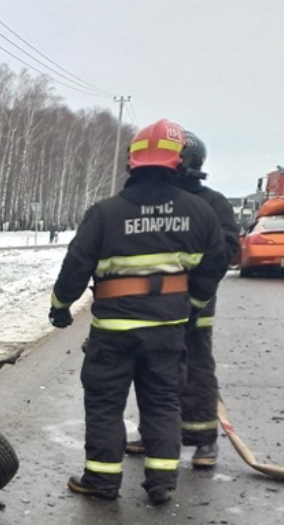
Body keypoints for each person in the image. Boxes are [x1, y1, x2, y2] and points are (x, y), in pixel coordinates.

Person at [48, 119, 227, 505]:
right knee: (163, 401)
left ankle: (101, 480)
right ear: (178, 164)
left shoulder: (106, 213)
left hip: (114, 329)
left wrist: (60, 308)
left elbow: (76, 265)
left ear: (132, 163)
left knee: (105, 403)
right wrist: (193, 306)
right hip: (167, 329)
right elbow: (214, 265)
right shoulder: (200, 212)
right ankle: (162, 482)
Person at [125, 131, 240, 468]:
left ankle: (204, 440)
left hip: (193, 306)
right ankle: (156, 435)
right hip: (152, 307)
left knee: (196, 369)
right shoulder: (151, 200)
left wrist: (194, 293)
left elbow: (226, 252)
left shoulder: (211, 203)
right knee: (151, 372)